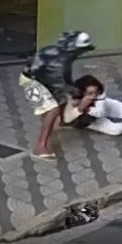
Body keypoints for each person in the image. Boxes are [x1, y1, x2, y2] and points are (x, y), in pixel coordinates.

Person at [19, 31, 95, 159]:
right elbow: (60, 83)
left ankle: (57, 123)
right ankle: (40, 146)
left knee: (61, 100)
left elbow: (65, 79)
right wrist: (79, 93)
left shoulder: (64, 55)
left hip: (44, 79)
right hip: (31, 81)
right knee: (52, 109)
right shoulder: (61, 61)